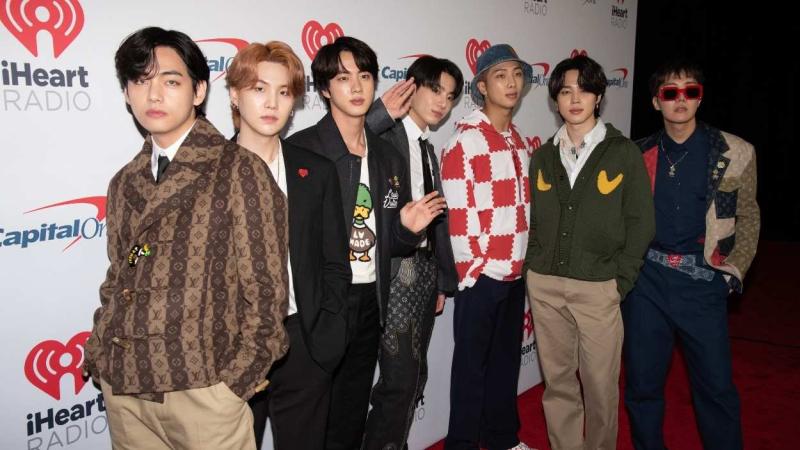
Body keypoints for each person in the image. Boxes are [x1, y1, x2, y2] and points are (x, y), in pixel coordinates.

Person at [82, 27, 289, 450]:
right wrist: (99, 351)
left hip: (204, 391)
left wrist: (233, 386)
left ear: (199, 90)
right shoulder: (125, 182)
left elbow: (266, 293)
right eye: (140, 81)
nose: (154, 94)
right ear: (126, 94)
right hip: (125, 386)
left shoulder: (239, 170)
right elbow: (123, 269)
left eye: (170, 81)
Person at [287, 36, 446, 450]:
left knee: (351, 415)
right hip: (318, 304)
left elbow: (388, 242)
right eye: (343, 78)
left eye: (364, 76)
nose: (356, 87)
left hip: (371, 301)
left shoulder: (387, 155)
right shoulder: (300, 150)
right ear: (324, 89)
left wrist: (408, 230)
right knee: (308, 421)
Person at [623, 59, 759, 450]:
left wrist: (732, 272)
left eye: (690, 91)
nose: (680, 99)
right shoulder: (637, 154)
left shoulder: (736, 151)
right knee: (642, 385)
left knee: (715, 387)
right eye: (670, 92)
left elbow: (749, 217)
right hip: (647, 284)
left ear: (700, 98)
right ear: (656, 101)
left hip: (703, 283)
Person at [524, 54, 655, 450]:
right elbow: (534, 219)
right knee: (558, 384)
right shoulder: (543, 156)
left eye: (584, 90)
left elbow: (641, 223)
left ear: (598, 96)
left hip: (600, 287)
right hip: (546, 286)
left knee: (600, 387)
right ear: (555, 100)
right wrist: (533, 269)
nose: (575, 99)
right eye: (566, 91)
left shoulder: (623, 152)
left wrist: (620, 282)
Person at [225, 40, 351, 450]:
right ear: (234, 95)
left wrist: (328, 334)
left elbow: (336, 261)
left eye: (283, 92)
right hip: (233, 345)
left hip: (304, 340)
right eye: (259, 89)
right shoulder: (207, 175)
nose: (271, 103)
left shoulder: (316, 171)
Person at [361, 55, 463, 449]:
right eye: (435, 89)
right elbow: (348, 140)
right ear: (411, 87)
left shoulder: (427, 147)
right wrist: (379, 112)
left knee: (414, 376)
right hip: (393, 271)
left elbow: (437, 223)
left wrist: (440, 279)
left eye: (450, 96)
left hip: (423, 272)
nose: (442, 102)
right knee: (400, 381)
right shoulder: (384, 138)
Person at [439, 44, 534, 450]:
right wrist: (475, 271)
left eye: (517, 74)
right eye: (500, 75)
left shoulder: (517, 139)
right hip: (481, 279)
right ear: (481, 86)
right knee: (470, 371)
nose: (511, 83)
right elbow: (458, 217)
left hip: (515, 275)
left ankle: (502, 440)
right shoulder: (465, 142)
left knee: (505, 366)